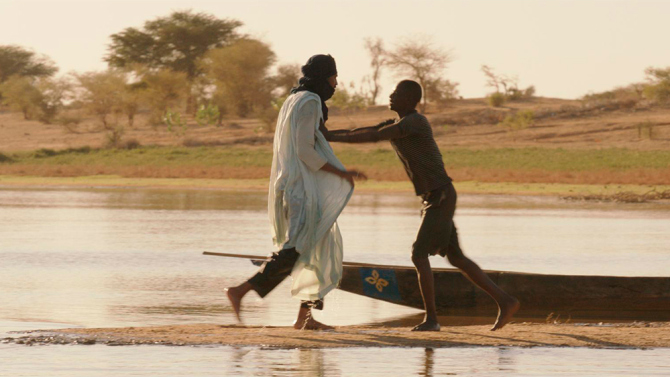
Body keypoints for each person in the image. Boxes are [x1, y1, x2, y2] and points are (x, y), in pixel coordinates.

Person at [325, 80, 519, 331]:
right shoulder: (397, 124)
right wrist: (328, 134)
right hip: (436, 197)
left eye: (396, 93)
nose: (391, 95)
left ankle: (432, 320)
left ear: (409, 99)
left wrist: (327, 135)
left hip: (440, 196)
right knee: (457, 258)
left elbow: (374, 136)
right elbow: (368, 129)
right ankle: (506, 301)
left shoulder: (415, 123)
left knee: (418, 254)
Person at [225, 55, 366, 330]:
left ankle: (306, 318)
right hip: (302, 191)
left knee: (318, 248)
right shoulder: (310, 100)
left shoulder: (294, 99)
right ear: (324, 77)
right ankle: (240, 291)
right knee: (296, 249)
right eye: (333, 78)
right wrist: (342, 173)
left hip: (297, 186)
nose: (335, 84)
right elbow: (304, 150)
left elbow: (309, 139)